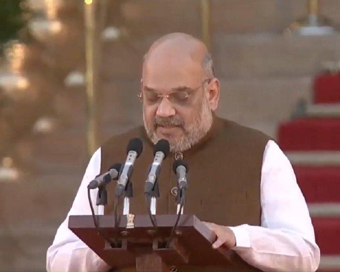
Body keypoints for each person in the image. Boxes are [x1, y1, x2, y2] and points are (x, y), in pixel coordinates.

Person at [46, 33, 320, 272]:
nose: (165, 112)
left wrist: (237, 238)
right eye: (153, 97)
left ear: (211, 93)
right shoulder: (113, 157)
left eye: (182, 97)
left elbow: (305, 254)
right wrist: (112, 245)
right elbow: (58, 259)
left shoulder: (259, 154)